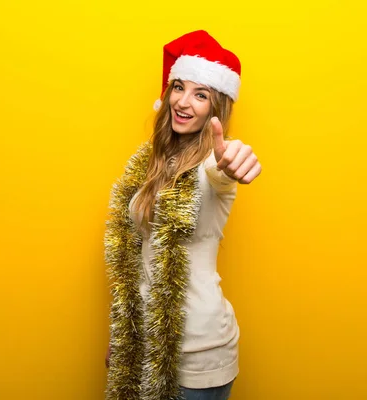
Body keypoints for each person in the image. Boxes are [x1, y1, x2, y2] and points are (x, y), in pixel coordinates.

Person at [104, 30, 261, 400]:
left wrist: (237, 162)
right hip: (144, 346)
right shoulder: (153, 164)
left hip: (200, 354)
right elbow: (140, 260)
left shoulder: (214, 164)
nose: (183, 102)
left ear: (216, 108)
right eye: (179, 88)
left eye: (201, 94)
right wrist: (122, 338)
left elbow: (226, 172)